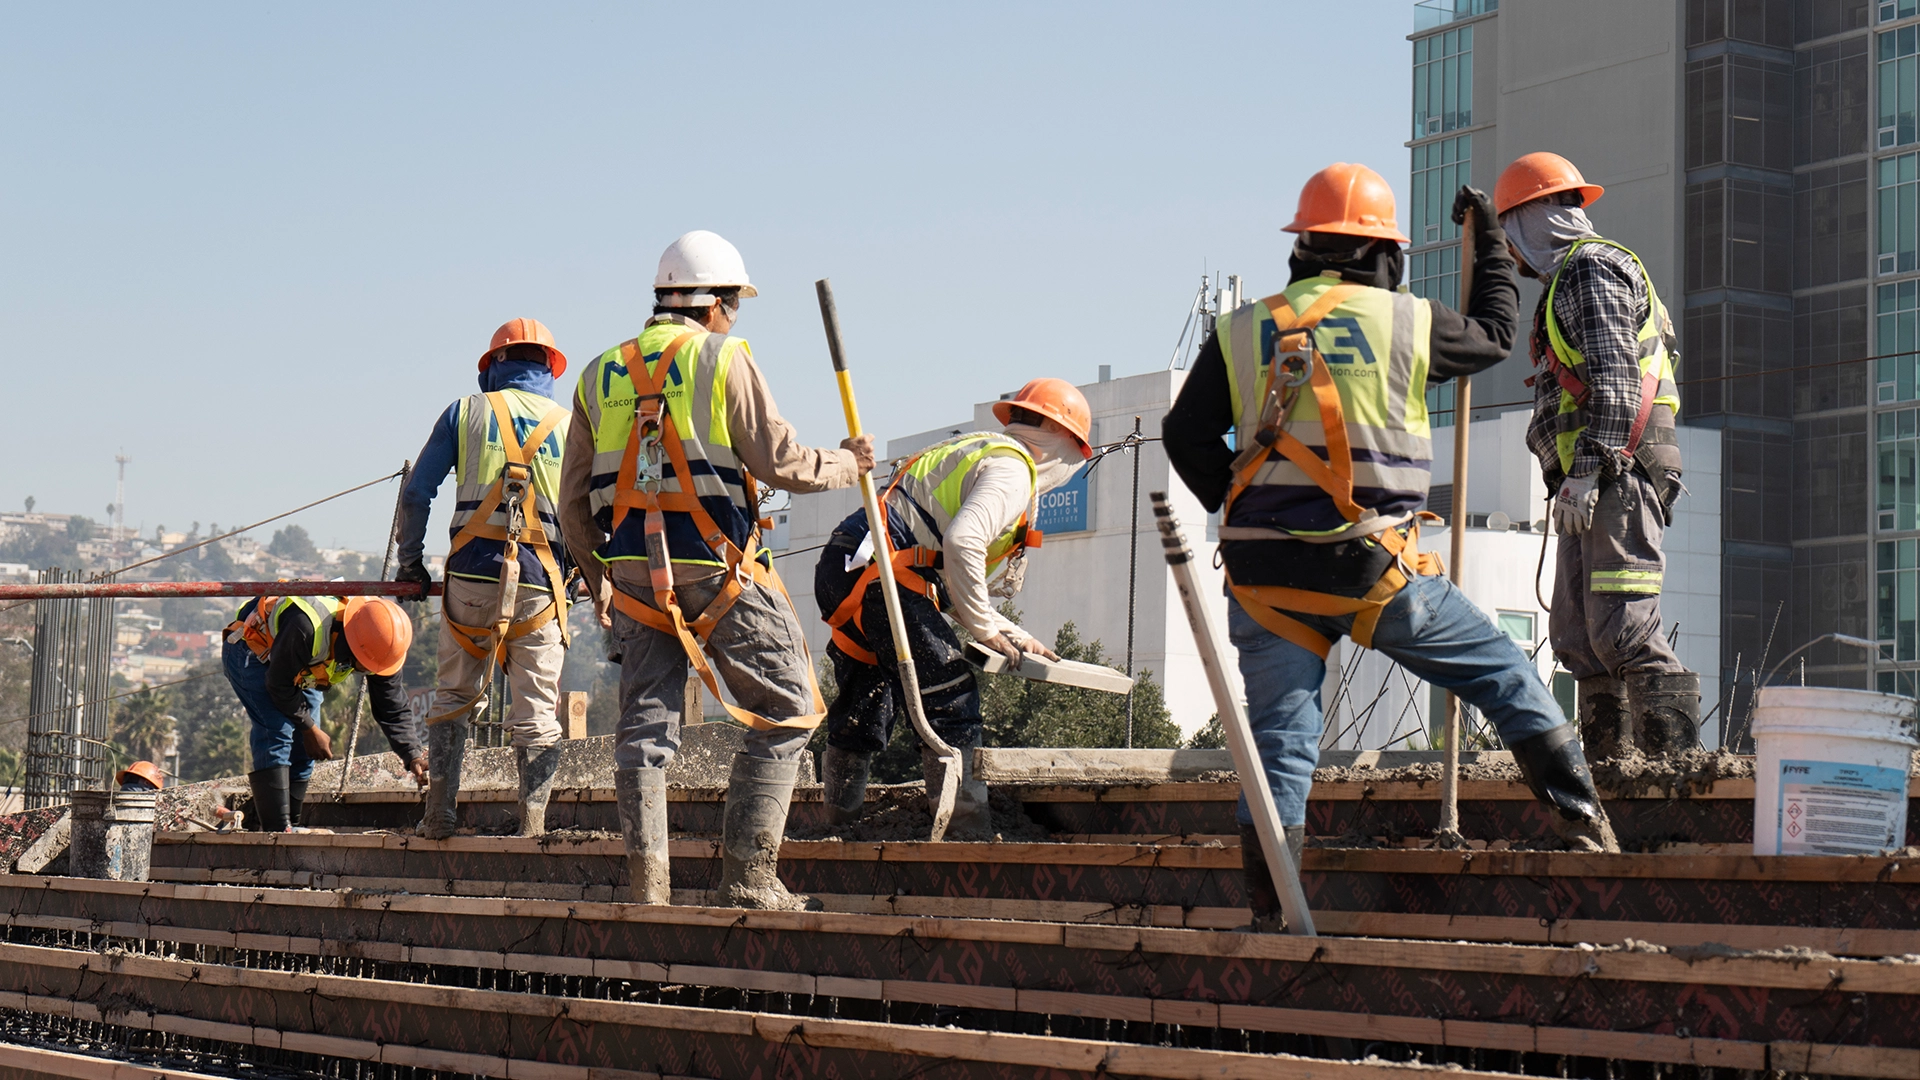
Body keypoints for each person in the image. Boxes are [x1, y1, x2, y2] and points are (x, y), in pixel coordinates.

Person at [1162, 162, 1619, 931]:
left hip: (1263, 576)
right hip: (1373, 567)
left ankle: (1273, 916)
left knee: (1278, 743)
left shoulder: (1243, 327)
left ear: (1302, 247)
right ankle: (1585, 832)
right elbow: (1498, 336)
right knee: (1504, 673)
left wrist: (1237, 506)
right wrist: (1493, 251)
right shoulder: (1407, 320)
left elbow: (1184, 434)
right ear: (1387, 255)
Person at [558, 230, 875, 909]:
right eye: (735, 304)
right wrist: (850, 462)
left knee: (642, 735)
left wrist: (600, 585)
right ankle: (749, 879)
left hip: (636, 582)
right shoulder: (722, 356)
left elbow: (572, 504)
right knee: (789, 707)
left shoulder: (596, 373)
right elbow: (779, 462)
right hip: (718, 570)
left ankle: (650, 891)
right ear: (718, 303)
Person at [813, 378, 1091, 838]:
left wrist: (1007, 631)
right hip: (884, 572)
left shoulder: (982, 451)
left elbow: (947, 578)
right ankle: (966, 826)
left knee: (868, 695)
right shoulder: (1014, 469)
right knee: (948, 687)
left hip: (851, 563)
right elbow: (964, 543)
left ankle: (839, 824)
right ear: (1059, 443)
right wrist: (984, 629)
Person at [1496, 152, 1695, 759]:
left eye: (1510, 235)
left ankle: (1673, 772)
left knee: (1625, 628)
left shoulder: (1591, 273)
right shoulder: (1571, 280)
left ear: (1532, 219)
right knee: (1579, 638)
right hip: (1597, 477)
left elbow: (1614, 382)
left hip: (1616, 473)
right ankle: (1611, 771)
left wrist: (1586, 473)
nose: (1511, 253)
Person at [396, 317, 574, 839]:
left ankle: (439, 817)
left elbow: (415, 493)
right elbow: (593, 511)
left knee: (453, 697)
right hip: (542, 584)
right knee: (538, 713)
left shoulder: (464, 413)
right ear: (548, 367)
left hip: (470, 581)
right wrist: (588, 574)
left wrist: (411, 562)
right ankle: (533, 827)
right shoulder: (570, 424)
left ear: (494, 365)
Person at [222, 594, 423, 831]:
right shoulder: (306, 626)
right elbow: (278, 684)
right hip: (253, 650)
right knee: (277, 729)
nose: (368, 672)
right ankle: (276, 830)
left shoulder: (383, 644)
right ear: (353, 647)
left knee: (307, 746)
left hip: (303, 667)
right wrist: (309, 728)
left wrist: (412, 753)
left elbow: (391, 705)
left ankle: (290, 825)